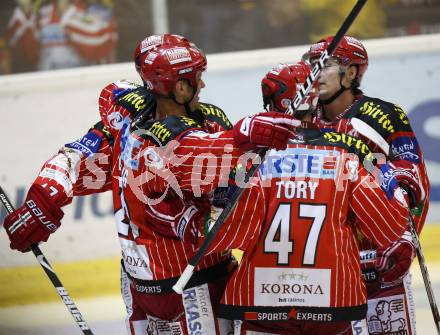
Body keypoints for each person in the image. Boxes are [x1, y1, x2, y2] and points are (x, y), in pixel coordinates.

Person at [2, 33, 298, 334]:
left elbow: (197, 153)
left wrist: (240, 142)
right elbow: (74, 159)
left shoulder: (206, 125)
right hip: (138, 289)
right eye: (198, 77)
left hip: (198, 287)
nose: (203, 85)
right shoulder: (128, 123)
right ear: (180, 87)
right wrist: (43, 198)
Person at [302, 35, 430, 335]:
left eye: (326, 65)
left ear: (351, 73)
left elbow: (413, 180)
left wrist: (402, 242)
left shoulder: (383, 115)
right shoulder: (301, 121)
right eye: (312, 65)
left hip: (377, 267)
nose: (315, 73)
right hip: (324, 273)